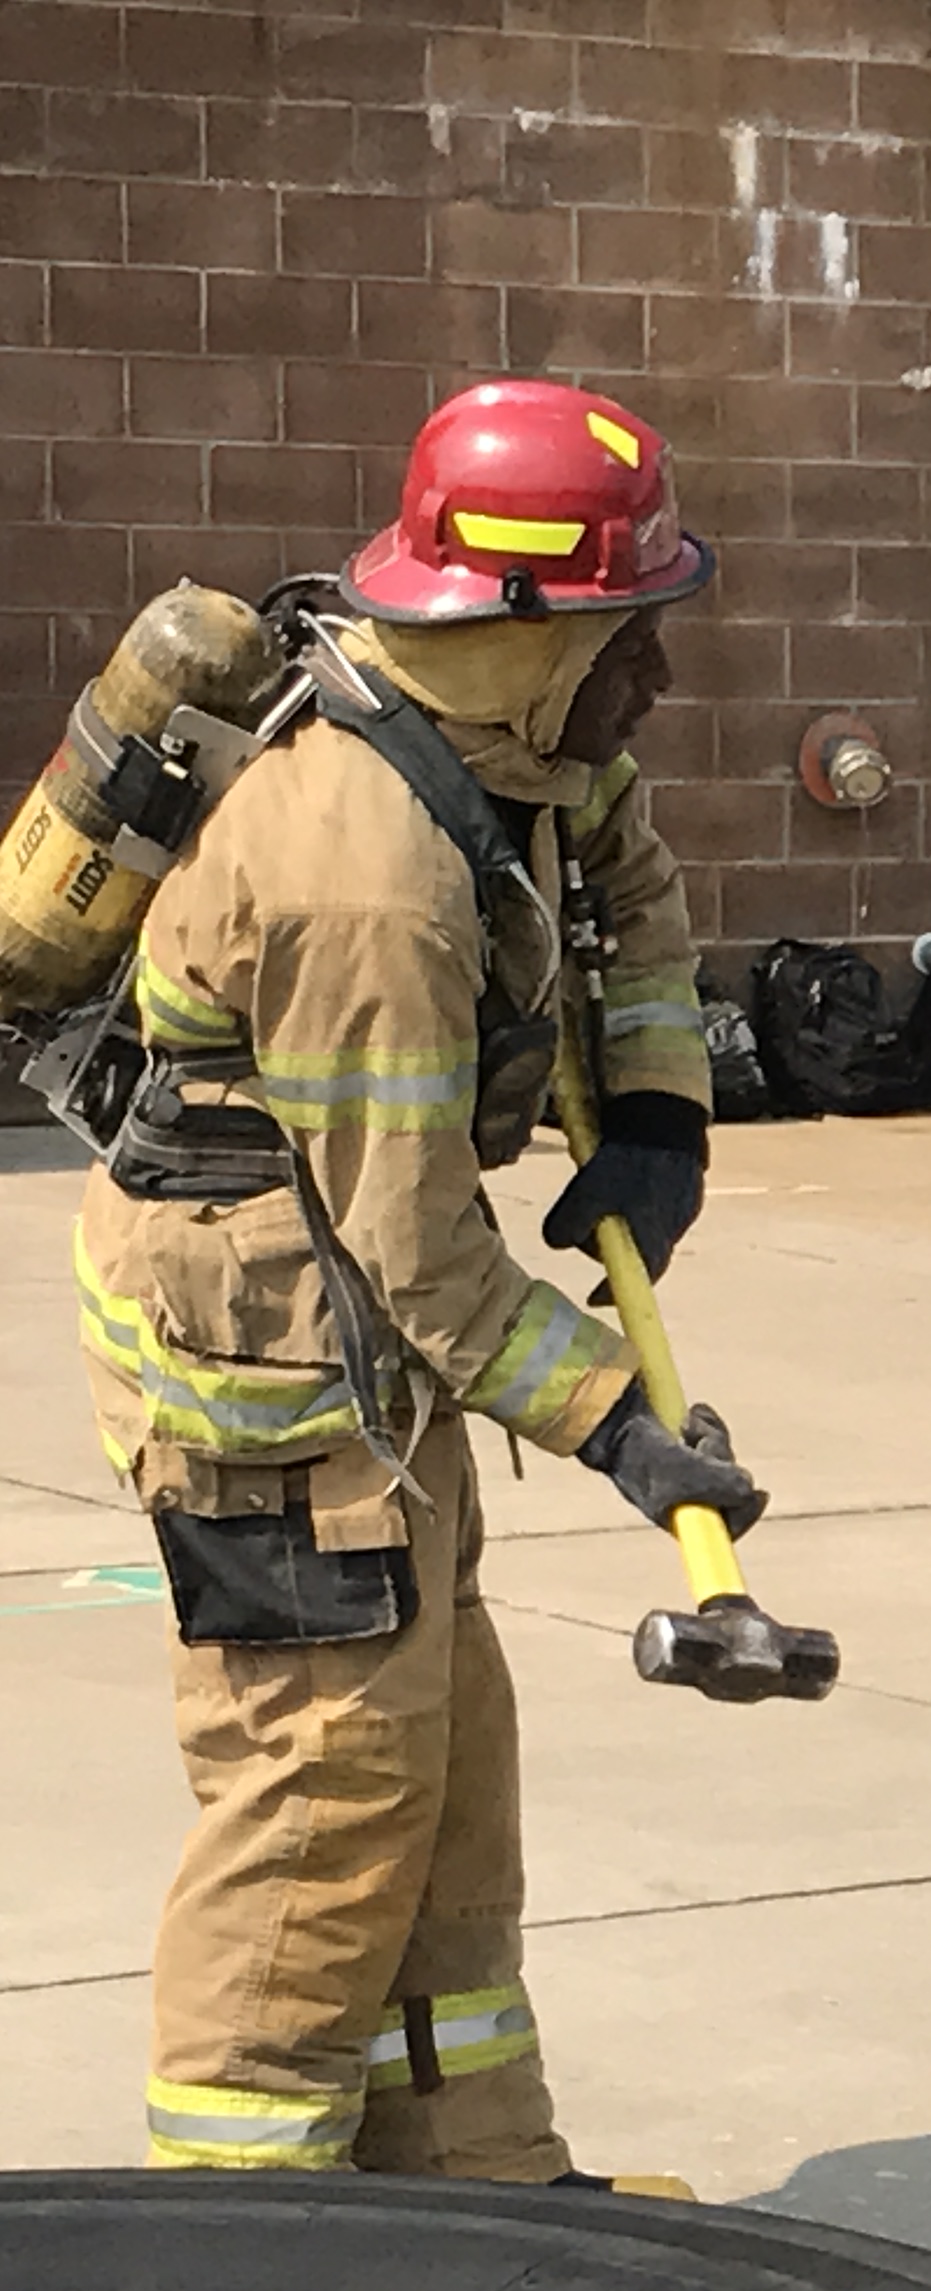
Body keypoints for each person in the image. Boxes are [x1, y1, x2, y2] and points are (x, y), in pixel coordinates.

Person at [79, 378, 761, 2183]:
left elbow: (628, 874)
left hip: (367, 1371)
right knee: (323, 1807)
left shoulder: (513, 746)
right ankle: (242, 2237)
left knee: (442, 1776)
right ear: (530, 633)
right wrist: (622, 1425)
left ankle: (476, 2185)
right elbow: (416, 1243)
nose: (658, 675)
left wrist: (660, 1116)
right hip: (268, 1384)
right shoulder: (364, 878)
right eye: (632, 634)